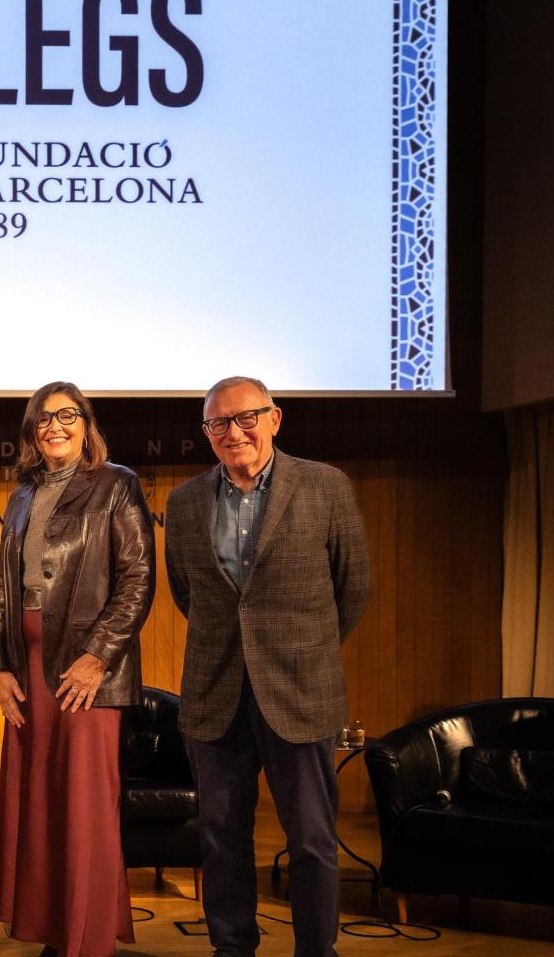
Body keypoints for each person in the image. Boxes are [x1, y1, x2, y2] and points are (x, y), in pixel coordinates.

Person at [164, 376, 371, 957]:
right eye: (218, 423)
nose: (234, 432)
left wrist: (306, 649)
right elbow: (189, 594)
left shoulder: (325, 486)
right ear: (206, 433)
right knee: (222, 838)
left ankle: (315, 952)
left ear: (275, 418)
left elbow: (353, 587)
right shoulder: (183, 503)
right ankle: (232, 950)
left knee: (310, 841)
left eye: (246, 417)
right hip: (216, 693)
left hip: (302, 693)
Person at [0, 381, 155, 957]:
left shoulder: (117, 484)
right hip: (28, 669)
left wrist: (98, 656)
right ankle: (53, 930)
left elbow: (137, 578)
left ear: (87, 424)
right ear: (32, 432)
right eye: (43, 418)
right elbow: (4, 592)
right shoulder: (21, 497)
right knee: (37, 802)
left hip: (87, 673)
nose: (55, 426)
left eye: (67, 415)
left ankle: (86, 940)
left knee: (83, 806)